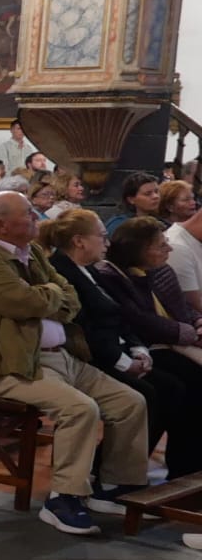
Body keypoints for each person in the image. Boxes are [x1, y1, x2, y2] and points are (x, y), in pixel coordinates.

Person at [0, 192, 149, 536]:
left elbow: (69, 298)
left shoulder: (31, 253)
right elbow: (23, 302)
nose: (36, 216)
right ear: (1, 223)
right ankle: (63, 498)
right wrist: (48, 297)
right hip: (13, 366)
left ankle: (113, 485)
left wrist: (46, 297)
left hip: (62, 357)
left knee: (130, 402)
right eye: (27, 212)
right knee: (80, 409)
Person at [44, 208, 202, 489]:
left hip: (124, 349)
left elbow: (121, 319)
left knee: (184, 382)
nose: (107, 242)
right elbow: (87, 330)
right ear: (80, 241)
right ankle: (114, 471)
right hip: (88, 357)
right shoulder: (65, 272)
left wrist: (138, 351)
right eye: (101, 236)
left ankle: (179, 465)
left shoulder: (92, 269)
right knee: (158, 390)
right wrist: (125, 362)